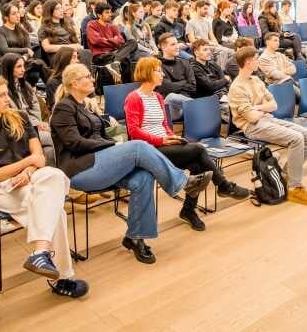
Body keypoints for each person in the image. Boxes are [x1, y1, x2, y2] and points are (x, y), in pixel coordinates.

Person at [50, 63, 212, 264]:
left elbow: (100, 137)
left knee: (143, 177)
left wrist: (111, 144)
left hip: (100, 162)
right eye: (88, 76)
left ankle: (135, 237)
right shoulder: (64, 107)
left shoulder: (86, 106)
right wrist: (113, 145)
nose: (92, 79)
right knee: (138, 146)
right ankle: (183, 183)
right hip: (80, 170)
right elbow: (74, 143)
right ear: (75, 83)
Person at [0, 75, 86, 297]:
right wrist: (27, 163)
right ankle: (62, 278)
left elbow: (39, 156)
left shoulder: (19, 117)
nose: (7, 99)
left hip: (33, 177)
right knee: (55, 210)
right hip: (3, 189)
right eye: (1, 95)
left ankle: (41, 252)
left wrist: (28, 171)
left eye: (7, 94)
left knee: (54, 174)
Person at [124, 56, 248, 230]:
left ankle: (189, 210)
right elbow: (134, 132)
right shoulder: (134, 98)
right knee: (198, 149)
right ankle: (224, 186)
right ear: (147, 73)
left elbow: (164, 125)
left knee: (198, 167)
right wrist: (162, 139)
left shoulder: (158, 97)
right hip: (149, 150)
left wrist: (171, 137)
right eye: (158, 71)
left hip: (165, 144)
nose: (162, 74)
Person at [229, 47, 307, 205]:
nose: (258, 62)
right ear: (248, 62)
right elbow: (252, 117)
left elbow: (274, 105)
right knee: (297, 139)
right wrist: (263, 109)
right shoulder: (237, 88)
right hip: (252, 127)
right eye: (256, 59)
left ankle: (285, 174)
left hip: (267, 120)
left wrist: (257, 108)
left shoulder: (256, 80)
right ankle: (294, 187)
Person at [0, 54, 53, 161]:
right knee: (52, 138)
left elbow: (35, 107)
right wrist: (35, 125)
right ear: (9, 68)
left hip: (32, 124)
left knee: (54, 136)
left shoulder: (25, 84)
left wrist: (38, 122)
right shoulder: (2, 89)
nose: (23, 70)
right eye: (19, 67)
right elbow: (14, 115)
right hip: (18, 129)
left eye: (23, 66)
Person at [0, 3, 50, 85]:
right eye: (14, 14)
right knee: (39, 63)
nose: (17, 15)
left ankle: (52, 86)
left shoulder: (22, 30)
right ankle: (54, 85)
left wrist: (24, 57)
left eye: (18, 12)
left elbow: (29, 49)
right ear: (6, 17)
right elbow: (4, 50)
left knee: (39, 63)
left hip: (23, 60)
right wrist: (25, 50)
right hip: (6, 61)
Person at [38, 0, 90, 68]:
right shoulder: (44, 28)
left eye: (61, 8)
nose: (61, 10)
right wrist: (70, 47)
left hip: (72, 52)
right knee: (80, 55)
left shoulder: (66, 24)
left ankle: (86, 74)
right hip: (58, 55)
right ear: (50, 11)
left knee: (86, 53)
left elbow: (75, 41)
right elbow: (47, 48)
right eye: (57, 9)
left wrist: (76, 46)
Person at [86, 3, 136, 73]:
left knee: (133, 42)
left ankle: (115, 61)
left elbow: (121, 41)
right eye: (107, 12)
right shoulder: (92, 24)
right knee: (125, 60)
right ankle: (116, 60)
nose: (110, 14)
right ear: (99, 15)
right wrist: (114, 40)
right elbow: (96, 41)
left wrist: (106, 40)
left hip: (114, 54)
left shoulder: (113, 26)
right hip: (101, 56)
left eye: (110, 12)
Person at [157, 33, 196, 121]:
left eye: (177, 43)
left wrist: (175, 85)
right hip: (170, 109)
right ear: (163, 47)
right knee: (172, 97)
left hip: (186, 106)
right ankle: (199, 107)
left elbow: (193, 87)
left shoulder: (185, 62)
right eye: (173, 44)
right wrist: (184, 82)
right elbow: (167, 88)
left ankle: (199, 107)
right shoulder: (157, 65)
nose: (177, 46)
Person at [186, 0, 234, 66]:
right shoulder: (191, 23)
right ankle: (220, 71)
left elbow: (212, 37)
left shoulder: (207, 22)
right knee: (224, 52)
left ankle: (223, 69)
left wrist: (217, 45)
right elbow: (193, 41)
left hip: (210, 45)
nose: (207, 11)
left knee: (232, 52)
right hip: (201, 47)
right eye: (205, 9)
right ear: (198, 8)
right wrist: (208, 42)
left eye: (207, 9)